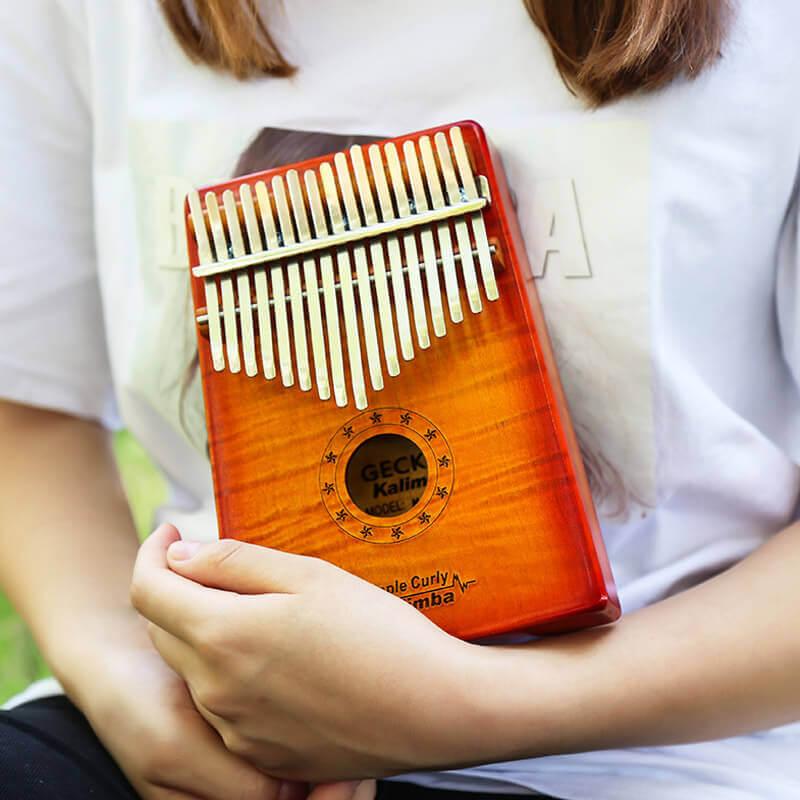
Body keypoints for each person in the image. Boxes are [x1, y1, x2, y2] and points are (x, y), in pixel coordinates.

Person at [1, 1, 799, 798]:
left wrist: (472, 705)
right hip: (219, 728)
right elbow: (29, 410)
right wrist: (132, 688)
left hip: (665, 751)